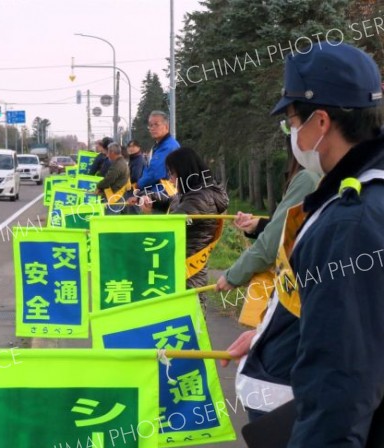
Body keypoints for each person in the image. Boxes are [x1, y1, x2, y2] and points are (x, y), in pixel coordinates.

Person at [221, 42, 384, 448]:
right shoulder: (355, 193)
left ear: (322, 122)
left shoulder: (352, 221)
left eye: (291, 121)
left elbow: (340, 384)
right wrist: (266, 337)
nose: (290, 134)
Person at [215, 137, 320, 296]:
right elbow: (299, 225)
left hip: (304, 286)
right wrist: (259, 225)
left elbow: (276, 238)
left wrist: (235, 275)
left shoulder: (308, 178)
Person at [139, 147, 228, 304]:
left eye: (172, 173)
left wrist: (147, 215)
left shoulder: (200, 198)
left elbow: (172, 225)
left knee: (191, 321)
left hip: (188, 273)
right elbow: (172, 200)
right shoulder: (193, 191)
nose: (170, 179)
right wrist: (150, 198)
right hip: (181, 268)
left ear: (185, 171)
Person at [134, 111, 179, 194]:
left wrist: (138, 185)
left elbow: (155, 173)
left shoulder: (168, 146)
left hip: (164, 195)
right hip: (157, 194)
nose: (152, 128)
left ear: (166, 126)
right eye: (150, 125)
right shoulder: (158, 146)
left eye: (156, 124)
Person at [95, 142, 130, 208]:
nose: (107, 155)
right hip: (118, 195)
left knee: (110, 216)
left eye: (108, 153)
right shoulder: (121, 162)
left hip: (114, 197)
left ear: (112, 152)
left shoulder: (118, 165)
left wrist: (98, 186)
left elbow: (108, 179)